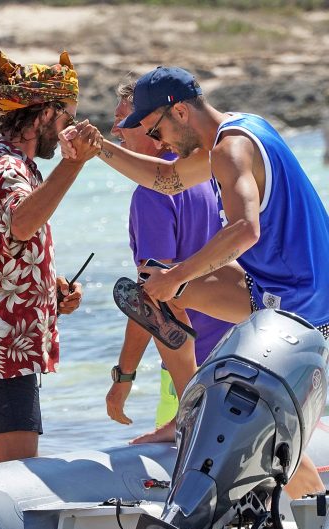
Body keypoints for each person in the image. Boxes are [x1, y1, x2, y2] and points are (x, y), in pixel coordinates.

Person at [82, 65, 329, 497]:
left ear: (177, 112)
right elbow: (164, 181)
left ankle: (312, 503)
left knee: (264, 439)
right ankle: (187, 408)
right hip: (272, 292)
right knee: (159, 290)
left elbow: (245, 230)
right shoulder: (239, 129)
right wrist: (99, 147)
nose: (159, 145)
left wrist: (177, 274)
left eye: (156, 133)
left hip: (304, 311)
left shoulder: (231, 151)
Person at [0, 51, 95, 465]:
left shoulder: (10, 166)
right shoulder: (5, 168)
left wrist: (52, 288)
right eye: (68, 116)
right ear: (45, 114)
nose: (71, 128)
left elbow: (4, 245)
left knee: (14, 478)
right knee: (16, 481)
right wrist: (74, 163)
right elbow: (21, 223)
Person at [104, 75, 232, 443]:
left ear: (154, 124)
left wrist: (124, 378)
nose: (117, 129)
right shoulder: (206, 171)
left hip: (191, 369)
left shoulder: (152, 195)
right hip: (238, 353)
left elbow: (152, 300)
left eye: (129, 121)